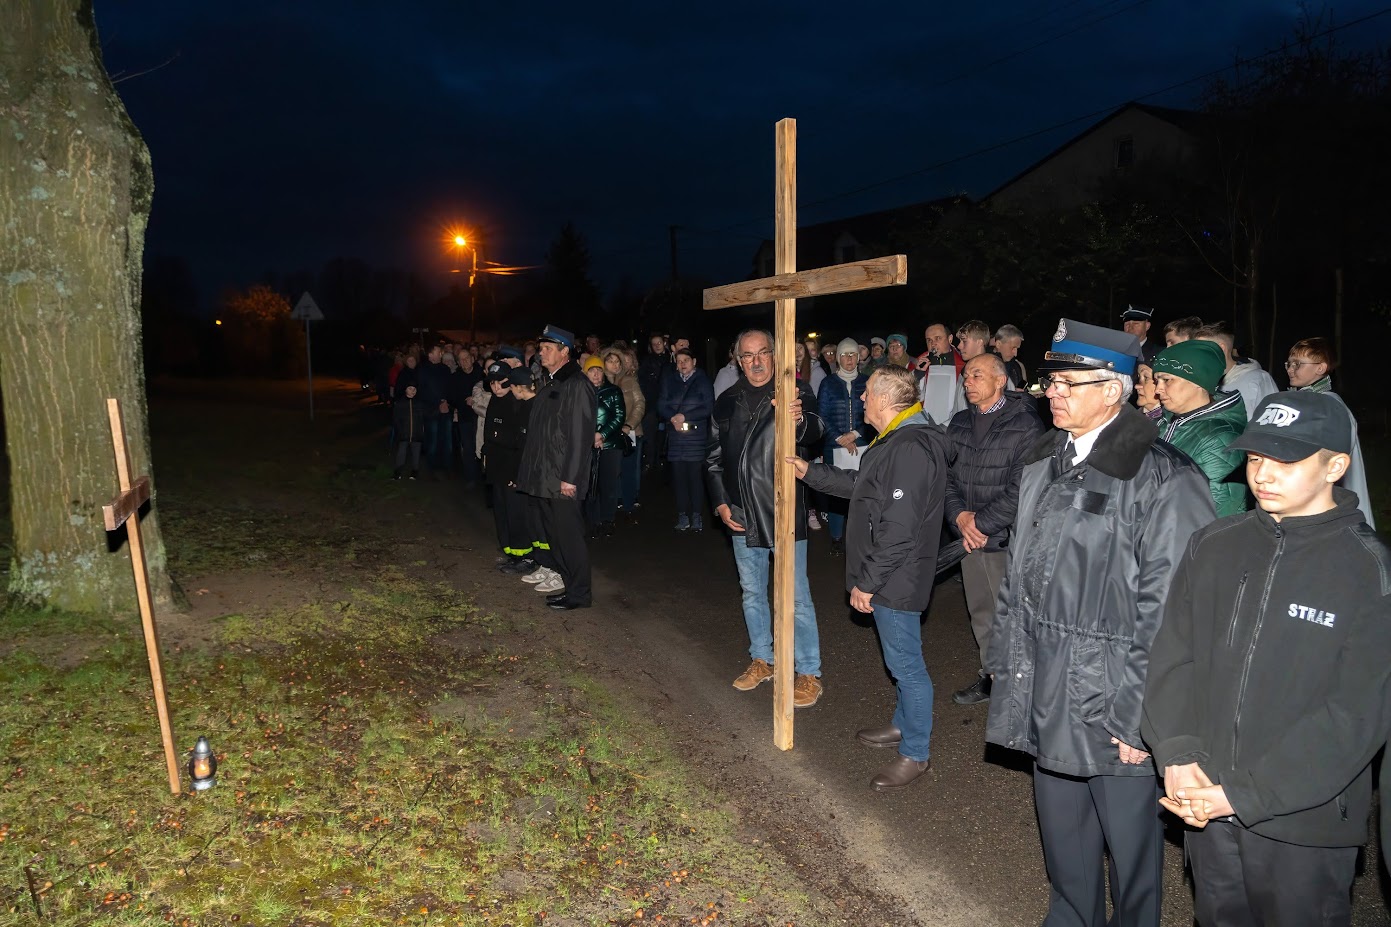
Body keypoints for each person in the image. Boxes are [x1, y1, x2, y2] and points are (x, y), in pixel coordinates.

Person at [986, 318, 1214, 927]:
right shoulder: (1044, 460)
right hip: (1046, 683)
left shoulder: (1162, 475)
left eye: (1069, 383)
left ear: (1113, 389)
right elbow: (1019, 573)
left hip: (1113, 698)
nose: (1052, 393)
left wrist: (1139, 715)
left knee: (1131, 851)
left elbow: (1173, 608)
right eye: (1050, 382)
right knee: (1064, 840)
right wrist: (1006, 659)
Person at [1142, 391, 1391, 927]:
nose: (1263, 474)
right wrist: (1178, 754)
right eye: (1256, 457)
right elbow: (1174, 657)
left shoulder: (1368, 571)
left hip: (1302, 822)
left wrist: (1242, 794)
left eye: (1286, 460)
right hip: (1205, 801)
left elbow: (1356, 715)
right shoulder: (1214, 543)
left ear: (1335, 467)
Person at [793, 365, 950, 790]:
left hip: (896, 576)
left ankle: (916, 753)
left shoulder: (911, 446)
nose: (861, 399)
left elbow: (899, 529)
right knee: (900, 660)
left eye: (867, 393)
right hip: (892, 573)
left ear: (883, 398)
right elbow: (865, 486)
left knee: (907, 666)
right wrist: (810, 472)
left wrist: (869, 581)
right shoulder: (898, 438)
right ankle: (904, 724)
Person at [706, 329, 826, 707]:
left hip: (783, 510)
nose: (756, 362)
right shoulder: (727, 400)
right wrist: (721, 503)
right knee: (753, 591)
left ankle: (808, 672)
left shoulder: (795, 391)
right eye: (748, 355)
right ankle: (763, 659)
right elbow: (713, 457)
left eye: (762, 353)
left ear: (775, 355)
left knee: (796, 596)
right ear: (738, 360)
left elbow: (817, 430)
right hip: (741, 512)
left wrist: (799, 418)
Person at [943, 353, 1045, 705]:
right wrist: (960, 517)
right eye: (966, 376)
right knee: (981, 611)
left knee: (1013, 615)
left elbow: (1022, 488)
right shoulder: (959, 422)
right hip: (969, 539)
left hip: (1004, 539)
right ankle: (991, 677)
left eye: (976, 375)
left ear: (1000, 381)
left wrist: (980, 524)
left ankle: (1021, 686)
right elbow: (946, 477)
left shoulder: (1026, 425)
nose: (967, 381)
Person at [515, 325, 597, 611]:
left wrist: (570, 478)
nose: (542, 353)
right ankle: (569, 586)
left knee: (569, 538)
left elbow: (580, 436)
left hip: (563, 479)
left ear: (565, 352)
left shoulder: (577, 384)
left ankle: (580, 593)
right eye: (541, 348)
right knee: (555, 536)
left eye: (548, 348)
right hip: (546, 476)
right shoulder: (551, 382)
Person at [1283, 336, 1375, 529]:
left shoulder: (1328, 405)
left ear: (1320, 368)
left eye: (1297, 364)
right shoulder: (1305, 401)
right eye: (1289, 364)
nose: (1291, 369)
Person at [1152, 339, 1249, 517]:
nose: (1158, 389)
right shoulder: (1163, 422)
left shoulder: (1222, 438)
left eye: (1166, 380)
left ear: (1198, 381)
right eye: (1157, 380)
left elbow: (1215, 511)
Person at [816, 338, 871, 555]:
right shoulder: (828, 384)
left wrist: (854, 434)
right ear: (838, 358)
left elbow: (874, 412)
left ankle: (862, 538)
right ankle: (836, 537)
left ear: (858, 357)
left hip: (862, 444)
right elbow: (822, 415)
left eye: (853, 354)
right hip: (834, 446)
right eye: (845, 355)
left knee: (863, 493)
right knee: (837, 493)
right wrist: (839, 437)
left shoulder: (867, 382)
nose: (849, 359)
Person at [482, 361, 534, 572]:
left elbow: (521, 441)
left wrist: (516, 472)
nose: (496, 388)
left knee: (516, 513)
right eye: (492, 383)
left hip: (513, 467)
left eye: (501, 383)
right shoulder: (495, 400)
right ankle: (511, 552)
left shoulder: (517, 402)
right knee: (502, 511)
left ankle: (525, 557)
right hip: (497, 466)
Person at [658, 347, 715, 532]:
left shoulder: (703, 380)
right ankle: (682, 515)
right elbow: (661, 404)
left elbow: (708, 407)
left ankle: (697, 515)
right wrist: (673, 418)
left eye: (686, 360)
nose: (682, 364)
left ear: (694, 362)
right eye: (679, 361)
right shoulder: (670, 380)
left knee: (695, 477)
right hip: (676, 435)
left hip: (695, 436)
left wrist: (685, 416)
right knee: (679, 478)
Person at [1195, 321, 1278, 422]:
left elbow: (1273, 420)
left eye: (1201, 350)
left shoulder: (1258, 379)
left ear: (1221, 349)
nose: (1197, 356)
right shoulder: (1202, 382)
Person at [583, 355, 625, 538]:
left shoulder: (613, 391)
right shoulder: (581, 392)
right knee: (590, 485)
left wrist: (602, 434)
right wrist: (589, 437)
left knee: (608, 484)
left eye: (599, 370)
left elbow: (619, 416)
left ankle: (608, 520)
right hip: (587, 446)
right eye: (592, 370)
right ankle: (593, 520)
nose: (596, 374)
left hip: (610, 445)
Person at [607, 348, 646, 521]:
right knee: (611, 470)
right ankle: (613, 502)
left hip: (629, 432)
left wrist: (629, 424)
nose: (615, 365)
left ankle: (629, 503)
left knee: (629, 469)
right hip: (608, 434)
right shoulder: (600, 382)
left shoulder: (629, 381)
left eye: (618, 362)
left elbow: (639, 403)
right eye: (611, 361)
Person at [418, 344, 454, 477]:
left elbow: (449, 387)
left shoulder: (445, 369)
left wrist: (446, 401)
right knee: (432, 440)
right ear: (430, 354)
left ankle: (447, 467)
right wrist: (437, 402)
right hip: (430, 410)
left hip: (445, 409)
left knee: (447, 440)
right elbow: (422, 390)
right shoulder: (422, 370)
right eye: (438, 352)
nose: (441, 354)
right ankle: (431, 468)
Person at [638, 333, 670, 471]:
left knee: (664, 434)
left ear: (664, 343)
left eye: (659, 343)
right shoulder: (647, 361)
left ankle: (661, 460)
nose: (657, 346)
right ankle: (650, 461)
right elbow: (643, 382)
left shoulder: (671, 359)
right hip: (651, 404)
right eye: (654, 344)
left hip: (667, 404)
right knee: (650, 434)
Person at [992, 324, 1028, 390]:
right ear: (998, 344)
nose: (1015, 354)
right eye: (1013, 348)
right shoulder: (985, 367)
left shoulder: (1016, 366)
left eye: (1017, 349)